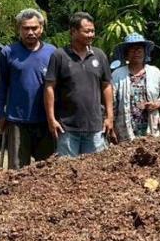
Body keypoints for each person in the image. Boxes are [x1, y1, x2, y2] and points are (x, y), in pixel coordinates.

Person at [44, 12, 113, 158]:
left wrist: (109, 117)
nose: (91, 35)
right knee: (66, 172)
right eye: (86, 31)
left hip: (95, 127)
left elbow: (106, 86)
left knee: (95, 173)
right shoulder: (59, 56)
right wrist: (51, 119)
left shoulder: (99, 55)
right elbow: (49, 87)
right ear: (73, 31)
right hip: (67, 128)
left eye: (93, 31)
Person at [0, 8, 57, 167]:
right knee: (17, 169)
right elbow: (2, 85)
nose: (30, 32)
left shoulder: (52, 53)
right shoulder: (8, 52)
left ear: (41, 28)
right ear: (19, 29)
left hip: (45, 120)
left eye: (34, 28)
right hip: (17, 121)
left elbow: (58, 87)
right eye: (26, 28)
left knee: (47, 168)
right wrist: (1, 114)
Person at [111, 32, 160, 141]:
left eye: (139, 49)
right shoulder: (117, 74)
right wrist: (111, 126)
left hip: (150, 125)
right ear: (126, 54)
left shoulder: (155, 72)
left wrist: (157, 104)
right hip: (124, 127)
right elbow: (111, 103)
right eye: (132, 50)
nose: (136, 53)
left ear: (144, 52)